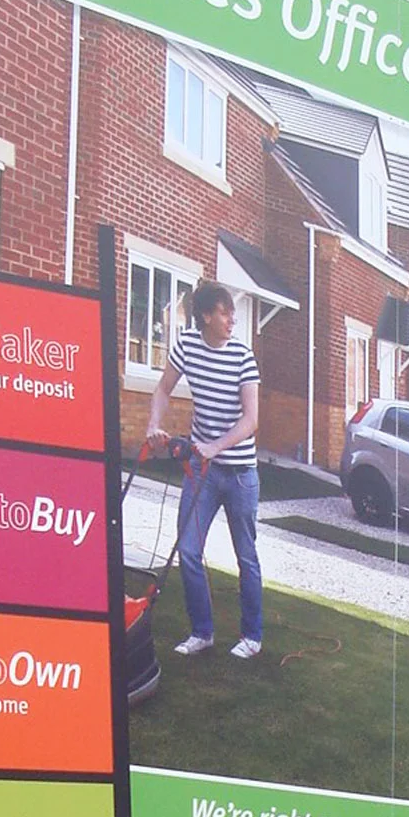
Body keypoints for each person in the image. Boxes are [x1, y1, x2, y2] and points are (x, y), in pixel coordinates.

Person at [146, 282, 262, 660]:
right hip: (202, 471)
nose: (232, 320)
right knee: (189, 550)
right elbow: (163, 389)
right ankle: (202, 632)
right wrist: (153, 425)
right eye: (225, 313)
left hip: (240, 472)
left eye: (232, 313)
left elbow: (251, 420)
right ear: (206, 316)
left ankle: (252, 637)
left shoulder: (243, 357)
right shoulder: (186, 346)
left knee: (246, 556)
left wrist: (216, 446)